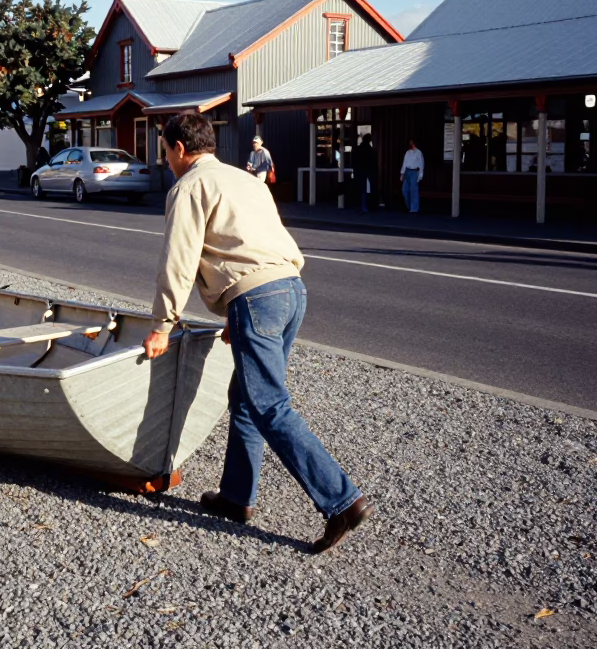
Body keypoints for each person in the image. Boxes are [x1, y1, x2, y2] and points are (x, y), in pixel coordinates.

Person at [142, 113, 371, 554]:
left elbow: (178, 260)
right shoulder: (245, 179)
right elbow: (256, 242)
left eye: (165, 150)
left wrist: (161, 324)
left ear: (180, 150)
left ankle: (342, 501)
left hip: (257, 298)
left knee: (268, 404)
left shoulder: (189, 186)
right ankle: (235, 497)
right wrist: (238, 311)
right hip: (290, 289)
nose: (166, 159)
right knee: (246, 399)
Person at [353, 133, 377, 213]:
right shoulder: (371, 150)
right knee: (369, 189)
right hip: (369, 171)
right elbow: (374, 163)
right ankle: (369, 206)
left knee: (361, 189)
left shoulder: (357, 149)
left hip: (359, 171)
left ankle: (361, 206)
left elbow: (354, 161)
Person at [399, 138, 424, 213]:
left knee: (413, 191)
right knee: (404, 190)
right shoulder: (408, 152)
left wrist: (420, 176)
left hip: (414, 172)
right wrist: (402, 174)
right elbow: (405, 163)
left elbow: (421, 165)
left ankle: (414, 209)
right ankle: (409, 206)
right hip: (407, 171)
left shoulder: (419, 153)